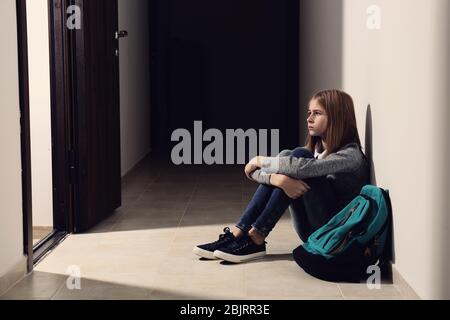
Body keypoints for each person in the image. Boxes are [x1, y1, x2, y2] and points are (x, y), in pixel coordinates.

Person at [193, 89, 370, 263]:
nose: (309, 119)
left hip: (332, 234)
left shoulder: (350, 156)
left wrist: (260, 161)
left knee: (299, 157)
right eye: (309, 113)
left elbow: (298, 169)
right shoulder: (319, 152)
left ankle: (256, 237)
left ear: (336, 118)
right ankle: (239, 233)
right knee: (290, 155)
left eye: (317, 113)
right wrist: (278, 180)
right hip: (310, 228)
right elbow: (260, 173)